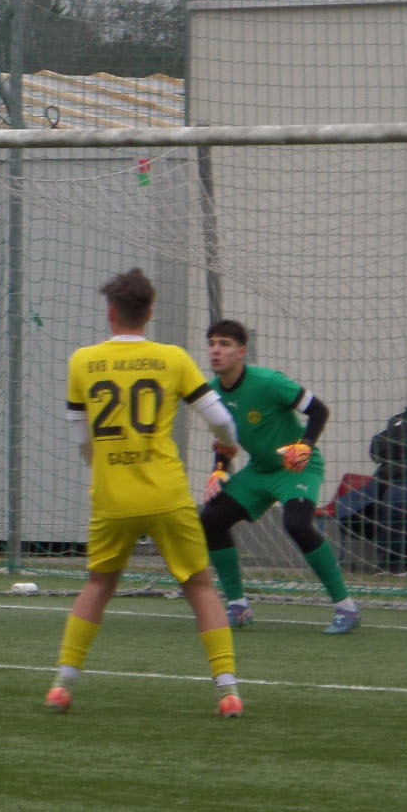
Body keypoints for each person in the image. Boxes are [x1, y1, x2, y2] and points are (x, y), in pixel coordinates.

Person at [46, 269, 244, 717]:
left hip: (112, 496)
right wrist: (229, 444)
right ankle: (228, 690)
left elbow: (81, 438)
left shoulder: (82, 361)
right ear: (150, 311)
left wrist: (105, 468)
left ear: (111, 312)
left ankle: (62, 684)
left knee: (99, 584)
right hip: (166, 494)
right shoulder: (172, 358)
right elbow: (219, 419)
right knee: (199, 586)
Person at [198, 320, 359, 635]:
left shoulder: (269, 382)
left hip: (296, 467)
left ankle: (347, 607)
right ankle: (238, 607)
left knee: (296, 523)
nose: (216, 350)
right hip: (260, 470)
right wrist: (219, 470)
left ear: (242, 352)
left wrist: (305, 446)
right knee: (211, 519)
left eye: (225, 344)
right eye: (212, 343)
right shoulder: (212, 394)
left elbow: (319, 411)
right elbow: (225, 443)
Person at [335, 373, 407, 574]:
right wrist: (406, 447)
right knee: (347, 506)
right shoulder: (399, 420)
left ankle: (399, 562)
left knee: (396, 498)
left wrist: (398, 446)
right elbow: (376, 447)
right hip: (390, 479)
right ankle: (392, 547)